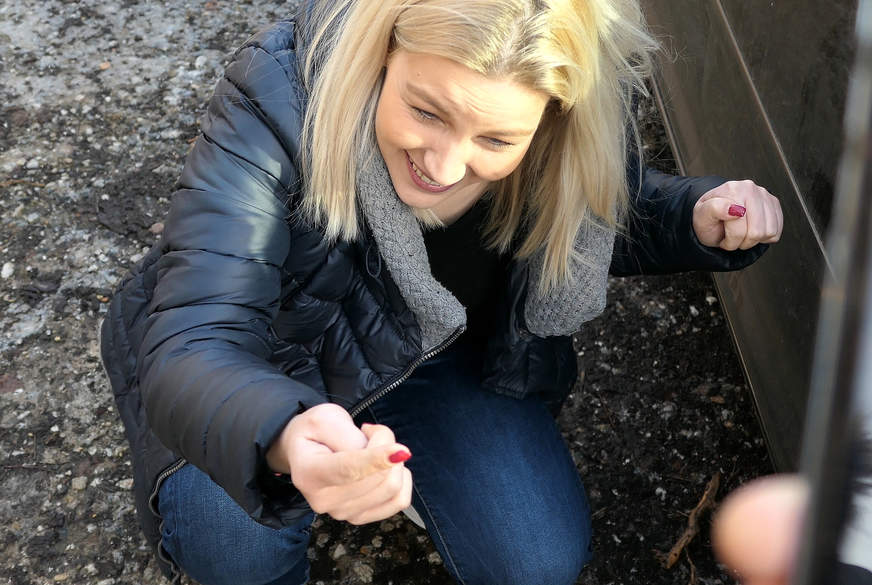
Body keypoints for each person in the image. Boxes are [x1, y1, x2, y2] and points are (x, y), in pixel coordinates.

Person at [100, 1, 783, 584]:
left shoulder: (562, 132)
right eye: (426, 110)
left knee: (534, 562)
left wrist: (693, 217)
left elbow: (597, 212)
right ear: (384, 50)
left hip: (437, 352)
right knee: (233, 546)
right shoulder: (278, 93)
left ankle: (411, 471)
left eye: (497, 139)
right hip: (263, 358)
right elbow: (196, 336)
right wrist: (285, 435)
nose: (446, 166)